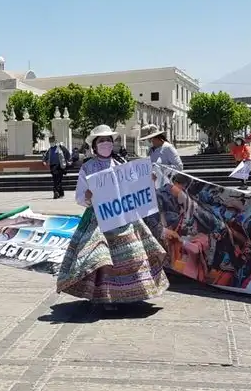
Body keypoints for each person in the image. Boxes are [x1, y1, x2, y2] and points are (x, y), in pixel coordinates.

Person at [55, 125, 169, 315]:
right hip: (99, 218)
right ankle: (106, 296)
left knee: (133, 252)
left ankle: (131, 293)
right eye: (102, 140)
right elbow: (80, 197)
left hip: (123, 215)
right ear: (94, 145)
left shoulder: (121, 164)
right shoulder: (87, 167)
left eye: (109, 139)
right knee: (100, 257)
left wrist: (149, 180)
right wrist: (88, 196)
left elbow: (134, 186)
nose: (106, 143)